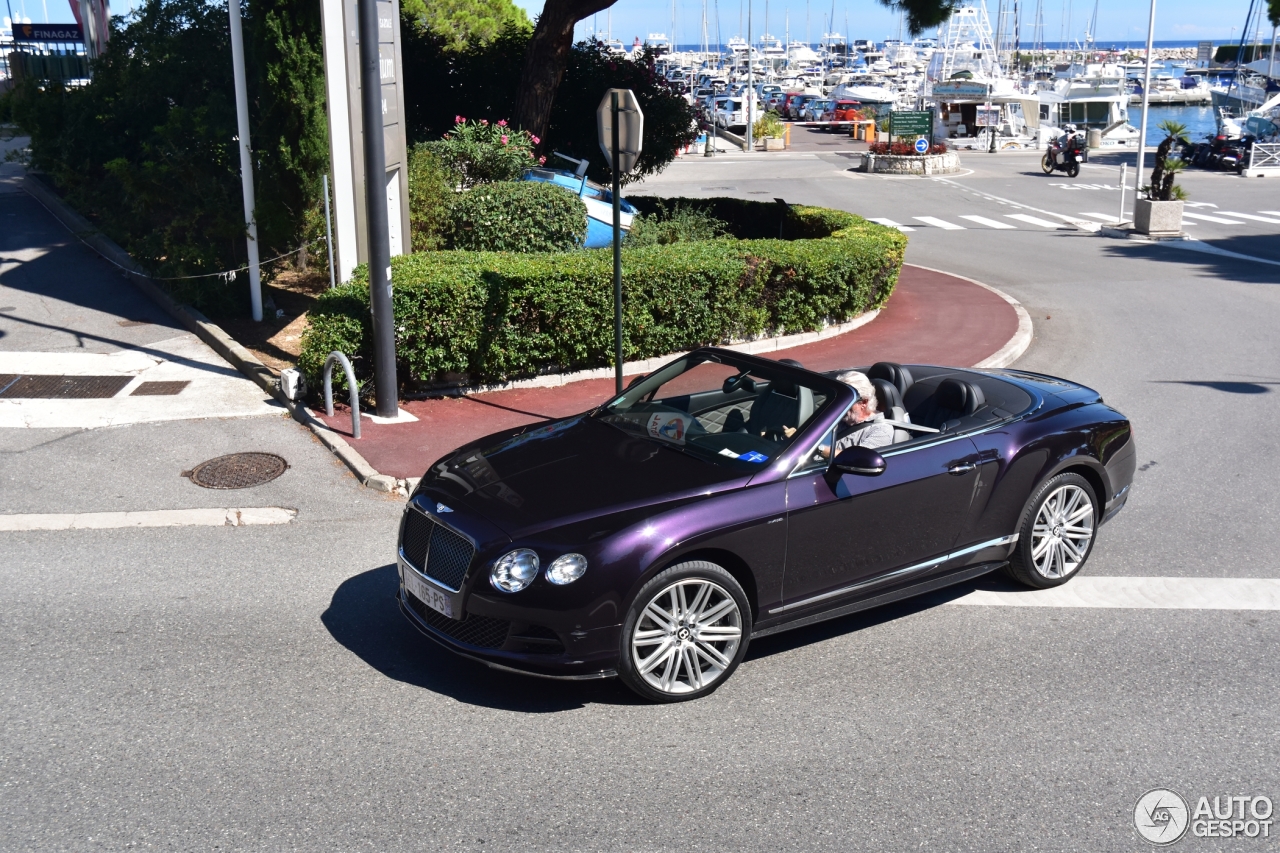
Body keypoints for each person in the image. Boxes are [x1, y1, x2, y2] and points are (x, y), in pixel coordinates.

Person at [821, 370, 894, 456]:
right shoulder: (840, 418)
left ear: (863, 402)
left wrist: (820, 449)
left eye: (845, 401)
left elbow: (858, 459)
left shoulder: (881, 431)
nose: (839, 405)